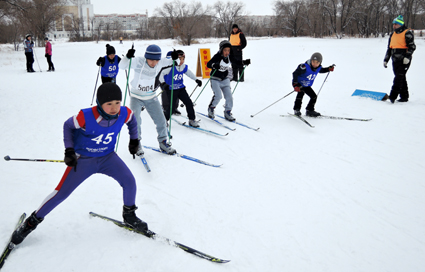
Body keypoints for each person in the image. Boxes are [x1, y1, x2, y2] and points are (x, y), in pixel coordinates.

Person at [11, 83, 149, 246]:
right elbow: (68, 126)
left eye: (117, 103)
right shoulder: (86, 116)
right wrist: (69, 150)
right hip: (83, 160)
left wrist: (134, 139)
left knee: (129, 181)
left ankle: (130, 216)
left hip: (108, 157)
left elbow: (132, 120)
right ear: (100, 103)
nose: (114, 108)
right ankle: (30, 224)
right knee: (60, 194)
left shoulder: (124, 112)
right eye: (109, 104)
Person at [119, 44, 179, 155]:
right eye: (151, 59)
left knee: (161, 119)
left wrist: (175, 57)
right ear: (146, 57)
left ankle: (163, 141)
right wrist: (127, 57)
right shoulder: (139, 62)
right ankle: (137, 143)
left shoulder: (160, 62)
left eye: (156, 60)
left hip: (151, 96)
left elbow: (175, 63)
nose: (153, 63)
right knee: (136, 121)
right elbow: (122, 66)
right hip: (136, 96)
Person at [206, 40, 250, 121]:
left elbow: (236, 62)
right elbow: (208, 64)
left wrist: (244, 62)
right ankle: (211, 109)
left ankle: (227, 112)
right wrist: (214, 65)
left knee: (229, 97)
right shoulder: (217, 56)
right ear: (221, 50)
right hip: (215, 79)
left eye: (228, 50)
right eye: (225, 50)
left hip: (225, 79)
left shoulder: (230, 56)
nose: (227, 52)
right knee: (218, 96)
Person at [159, 50, 202, 127]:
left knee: (189, 103)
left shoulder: (183, 67)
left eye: (183, 59)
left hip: (181, 88)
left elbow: (189, 73)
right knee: (171, 108)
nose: (181, 61)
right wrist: (163, 83)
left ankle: (191, 119)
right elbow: (161, 74)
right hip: (171, 89)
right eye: (180, 59)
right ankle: (163, 121)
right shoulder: (170, 67)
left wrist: (196, 79)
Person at [383, 15, 416, 103]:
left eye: (396, 24)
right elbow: (390, 49)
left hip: (404, 60)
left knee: (398, 77)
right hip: (395, 60)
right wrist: (386, 60)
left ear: (401, 25)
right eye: (393, 24)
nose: (394, 26)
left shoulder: (407, 33)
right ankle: (404, 96)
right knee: (401, 78)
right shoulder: (392, 34)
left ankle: (393, 96)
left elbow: (412, 47)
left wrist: (407, 57)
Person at [292, 52, 335, 117]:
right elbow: (295, 73)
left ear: (320, 63)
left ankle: (309, 110)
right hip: (299, 84)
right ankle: (296, 110)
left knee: (314, 96)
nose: (315, 64)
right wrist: (295, 84)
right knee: (300, 95)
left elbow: (321, 70)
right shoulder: (304, 67)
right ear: (311, 60)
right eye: (313, 62)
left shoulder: (318, 68)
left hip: (307, 85)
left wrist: (328, 69)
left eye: (317, 62)